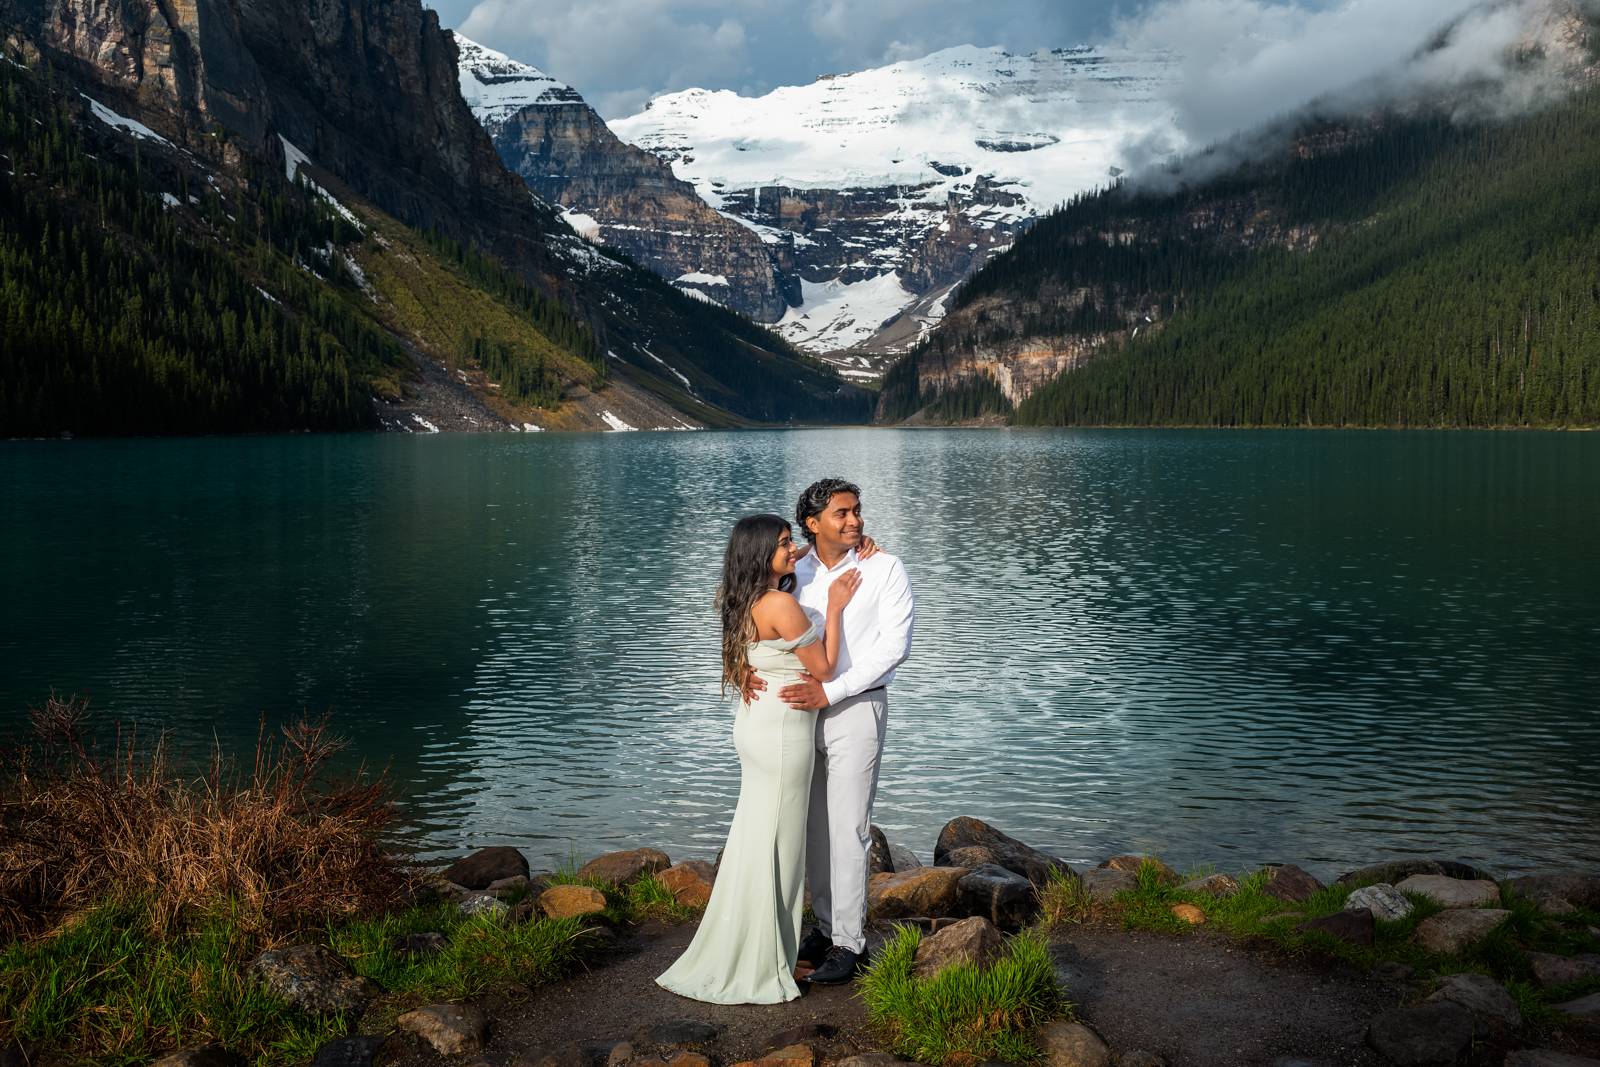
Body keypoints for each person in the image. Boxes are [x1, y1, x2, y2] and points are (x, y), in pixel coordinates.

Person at [655, 514, 861, 1004]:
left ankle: (768, 948)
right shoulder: (782, 604)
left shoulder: (737, 599)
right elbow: (825, 667)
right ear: (761, 552)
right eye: (786, 544)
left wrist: (823, 549)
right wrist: (833, 608)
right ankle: (766, 958)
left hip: (754, 728)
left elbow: (737, 661)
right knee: (780, 849)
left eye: (795, 541)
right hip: (785, 735)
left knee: (755, 838)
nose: (795, 549)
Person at [781, 478, 915, 985]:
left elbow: (892, 649)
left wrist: (831, 694)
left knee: (849, 828)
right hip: (797, 712)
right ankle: (822, 926)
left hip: (856, 708)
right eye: (841, 513)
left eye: (856, 511)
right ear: (813, 524)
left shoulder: (885, 568)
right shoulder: (793, 570)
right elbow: (758, 618)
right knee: (813, 826)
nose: (855, 521)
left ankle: (849, 943)